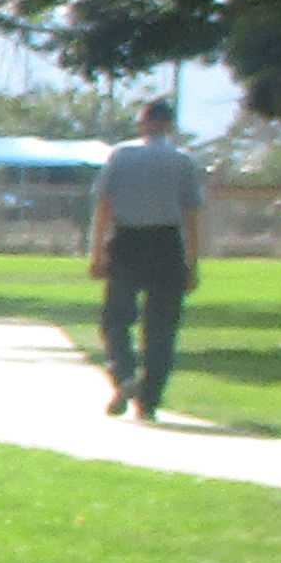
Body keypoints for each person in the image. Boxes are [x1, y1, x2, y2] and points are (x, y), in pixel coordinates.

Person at [88, 99, 208, 417]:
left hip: (128, 240)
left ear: (143, 122)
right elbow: (192, 215)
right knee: (161, 327)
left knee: (115, 319)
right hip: (166, 243)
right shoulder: (182, 161)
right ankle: (149, 400)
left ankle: (125, 374)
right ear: (169, 125)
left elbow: (104, 207)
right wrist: (192, 264)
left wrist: (97, 252)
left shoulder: (122, 155)